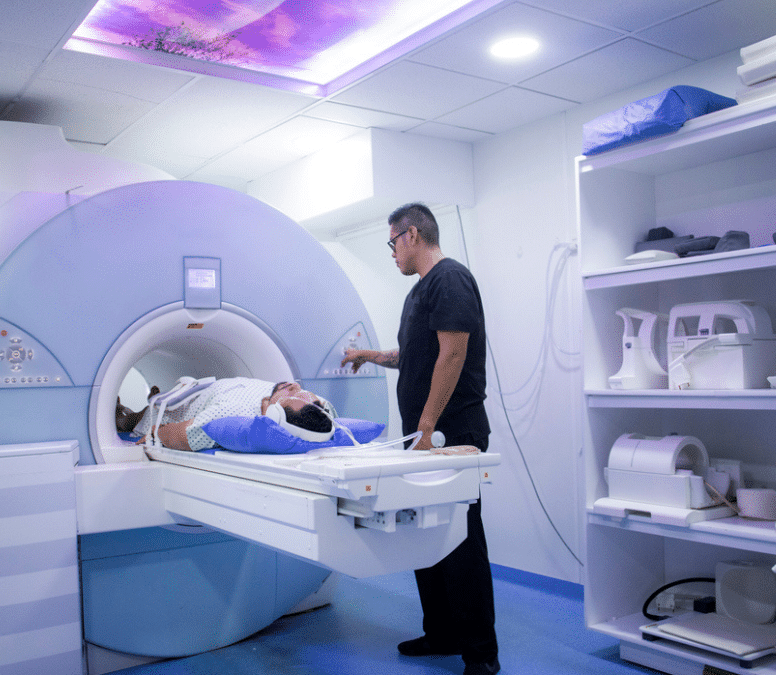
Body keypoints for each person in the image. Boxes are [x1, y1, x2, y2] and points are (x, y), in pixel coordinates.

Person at [341, 203, 499, 675]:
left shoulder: (450, 279)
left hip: (452, 434)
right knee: (423, 533)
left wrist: (427, 429)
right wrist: (368, 355)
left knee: (461, 540)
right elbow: (414, 357)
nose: (391, 253)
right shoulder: (419, 293)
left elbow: (452, 355)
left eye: (392, 243)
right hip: (425, 436)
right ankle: (442, 634)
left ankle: (481, 656)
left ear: (411, 235)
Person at [115, 377, 335, 451]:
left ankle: (125, 417)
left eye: (291, 392)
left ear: (272, 415)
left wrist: (157, 434)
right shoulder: (321, 411)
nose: (294, 384)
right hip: (203, 391)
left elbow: (176, 435)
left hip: (173, 411)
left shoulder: (229, 416)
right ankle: (155, 398)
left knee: (143, 416)